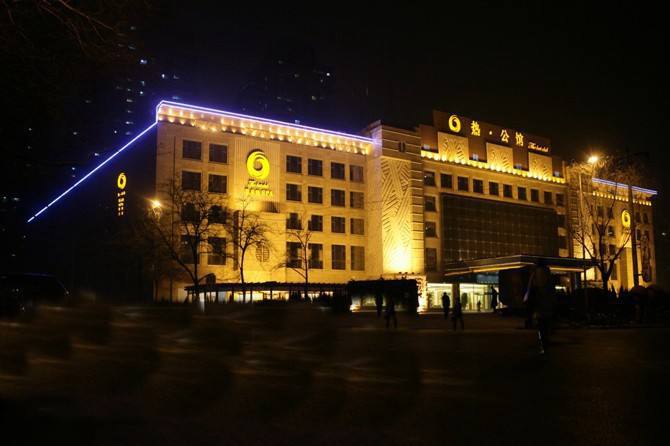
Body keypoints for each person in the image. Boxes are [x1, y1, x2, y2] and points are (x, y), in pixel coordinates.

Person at [525, 261, 556, 354]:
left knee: (542, 328)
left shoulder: (535, 276)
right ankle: (545, 344)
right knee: (544, 327)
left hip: (541, 308)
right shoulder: (547, 275)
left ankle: (544, 344)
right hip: (546, 308)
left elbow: (530, 291)